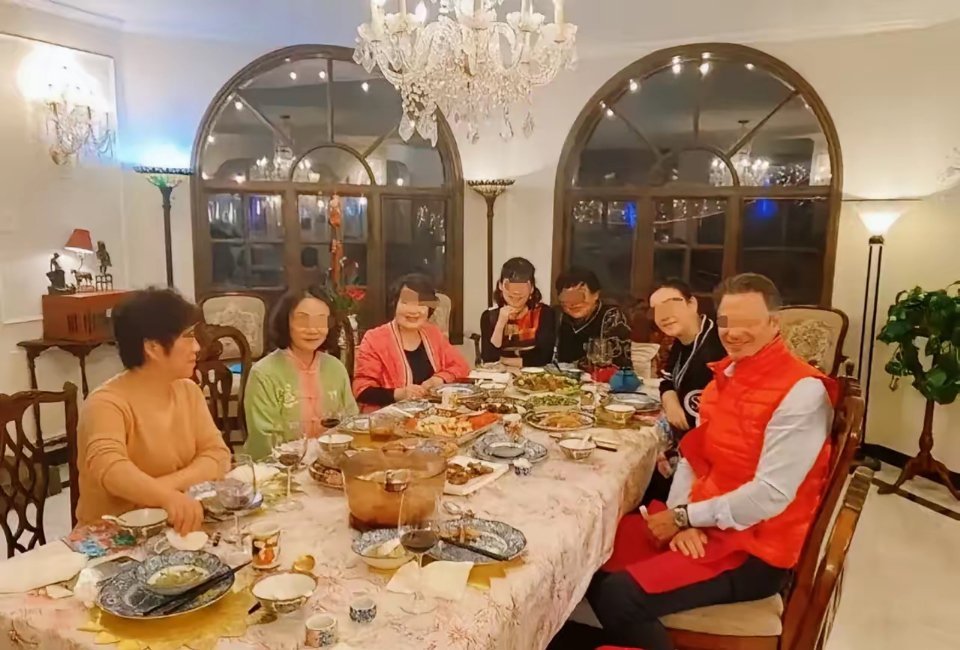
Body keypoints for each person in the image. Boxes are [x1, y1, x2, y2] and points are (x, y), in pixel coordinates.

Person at [587, 273, 838, 650]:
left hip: (755, 551)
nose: (733, 333)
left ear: (774, 323)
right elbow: (694, 457)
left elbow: (771, 495)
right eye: (726, 322)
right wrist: (681, 518)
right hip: (706, 521)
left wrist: (686, 517)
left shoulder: (803, 392)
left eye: (747, 322)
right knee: (593, 551)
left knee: (618, 595)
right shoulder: (725, 376)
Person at [76, 288, 231, 534]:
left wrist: (163, 490)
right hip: (113, 537)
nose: (197, 346)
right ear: (153, 347)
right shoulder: (106, 403)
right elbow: (110, 468)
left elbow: (218, 456)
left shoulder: (188, 391)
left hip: (173, 525)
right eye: (188, 336)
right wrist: (167, 496)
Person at [242, 287, 359, 461]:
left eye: (320, 320)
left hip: (330, 464)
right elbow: (264, 440)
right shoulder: (263, 373)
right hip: (279, 468)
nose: (312, 329)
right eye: (303, 320)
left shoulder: (335, 368)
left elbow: (351, 423)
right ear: (285, 322)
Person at [644, 279, 726, 504]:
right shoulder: (682, 340)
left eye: (672, 304)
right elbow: (667, 379)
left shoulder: (720, 342)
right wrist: (670, 400)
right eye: (657, 309)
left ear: (692, 304)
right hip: (687, 445)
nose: (665, 315)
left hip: (713, 460)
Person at [353, 273, 469, 407]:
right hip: (390, 416)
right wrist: (400, 394)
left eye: (421, 304)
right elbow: (361, 389)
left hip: (432, 414)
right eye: (406, 302)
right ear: (394, 303)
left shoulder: (433, 333)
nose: (413, 311)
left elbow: (461, 366)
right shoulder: (375, 339)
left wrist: (437, 380)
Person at [479, 257, 557, 367]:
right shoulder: (488, 316)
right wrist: (500, 323)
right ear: (501, 286)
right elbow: (489, 358)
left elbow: (544, 357)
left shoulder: (545, 313)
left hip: (534, 374)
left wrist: (504, 360)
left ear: (531, 288)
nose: (516, 292)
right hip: (500, 375)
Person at [555, 267, 632, 368]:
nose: (573, 303)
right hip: (562, 376)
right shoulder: (557, 316)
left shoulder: (612, 316)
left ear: (596, 295)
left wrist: (574, 367)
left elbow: (615, 361)